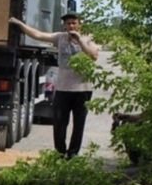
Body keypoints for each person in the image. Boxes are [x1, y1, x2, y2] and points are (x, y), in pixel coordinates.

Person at [9, 12, 100, 157]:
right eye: (68, 23)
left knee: (78, 124)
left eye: (74, 23)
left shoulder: (88, 39)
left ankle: (72, 154)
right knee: (59, 123)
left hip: (83, 90)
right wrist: (20, 24)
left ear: (79, 24)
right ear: (64, 26)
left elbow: (94, 56)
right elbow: (38, 35)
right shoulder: (60, 37)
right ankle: (60, 152)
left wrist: (80, 41)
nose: (71, 26)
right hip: (63, 89)